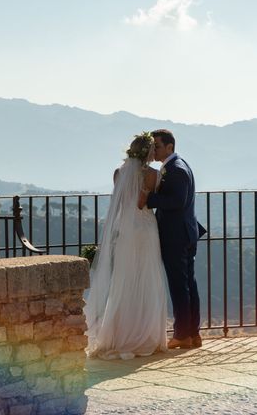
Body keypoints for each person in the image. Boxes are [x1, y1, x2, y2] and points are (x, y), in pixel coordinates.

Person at [84, 132, 168, 359]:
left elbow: (121, 204)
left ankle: (119, 333)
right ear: (148, 152)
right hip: (144, 229)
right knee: (146, 279)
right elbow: (142, 204)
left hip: (125, 231)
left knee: (123, 280)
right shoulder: (151, 174)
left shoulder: (118, 173)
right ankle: (146, 334)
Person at [140, 129, 205, 349]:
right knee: (188, 284)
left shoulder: (175, 169)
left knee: (180, 286)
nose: (154, 150)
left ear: (169, 147)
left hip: (176, 235)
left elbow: (177, 201)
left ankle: (182, 335)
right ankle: (193, 334)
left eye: (157, 146)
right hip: (186, 233)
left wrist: (150, 198)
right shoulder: (178, 166)